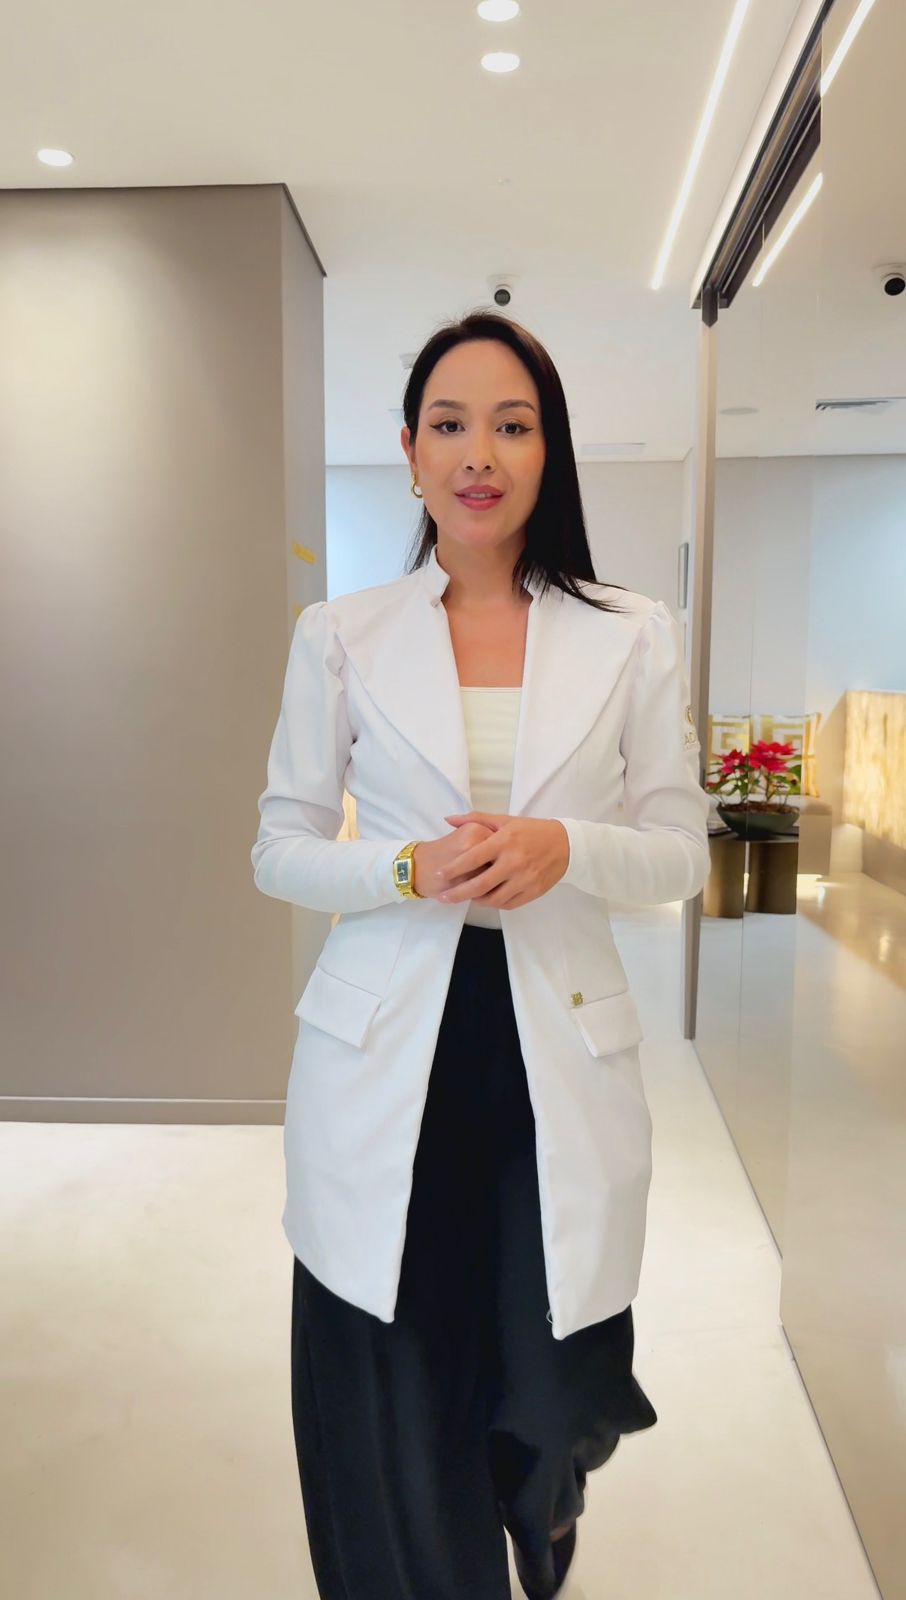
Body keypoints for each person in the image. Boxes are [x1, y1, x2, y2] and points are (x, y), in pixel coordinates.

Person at [251, 311, 711, 1599]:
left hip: (553, 1047)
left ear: (547, 452)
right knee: (396, 1391)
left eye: (513, 425)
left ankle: (544, 1501)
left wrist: (571, 846)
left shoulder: (631, 633)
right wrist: (403, 868)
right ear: (410, 452)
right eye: (449, 424)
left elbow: (681, 849)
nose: (479, 453)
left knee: (547, 1392)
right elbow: (281, 848)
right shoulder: (340, 634)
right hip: (387, 1050)